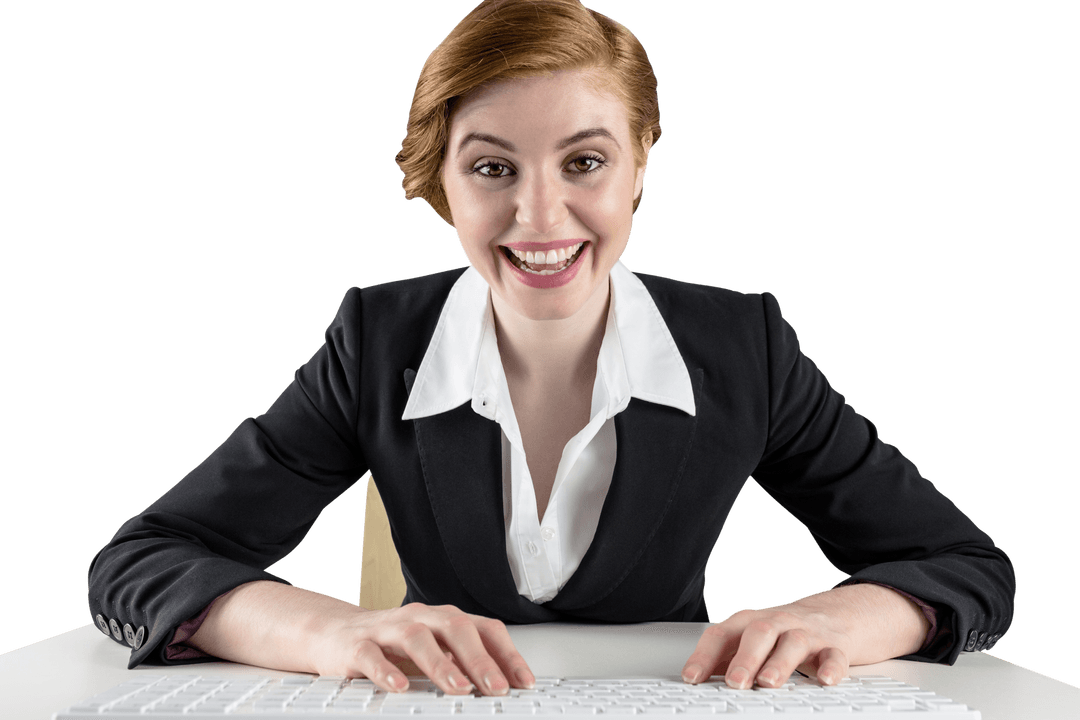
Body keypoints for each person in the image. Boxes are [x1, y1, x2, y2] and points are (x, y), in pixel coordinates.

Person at [86, 0, 1015, 699]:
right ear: (441, 181)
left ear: (642, 161)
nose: (540, 217)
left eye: (584, 161)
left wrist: (833, 616)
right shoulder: (377, 339)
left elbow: (965, 565)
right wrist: (334, 631)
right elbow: (142, 560)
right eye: (493, 167)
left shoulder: (744, 346)